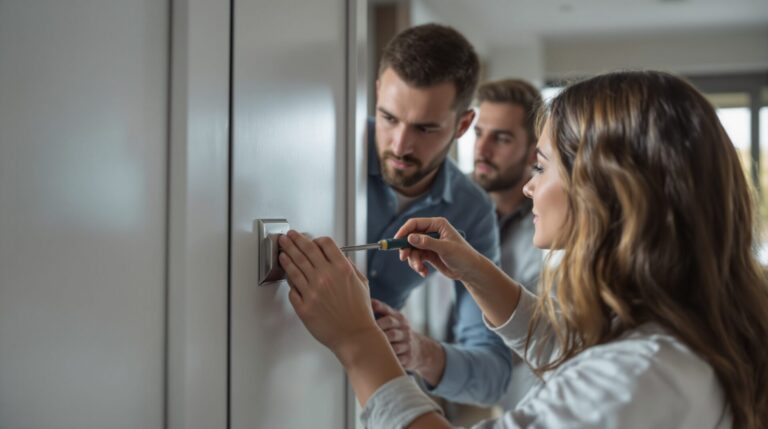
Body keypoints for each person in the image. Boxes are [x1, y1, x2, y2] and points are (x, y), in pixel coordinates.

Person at [278, 70, 768, 428]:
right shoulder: (681, 332)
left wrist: (359, 343)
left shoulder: (639, 376)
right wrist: (476, 271)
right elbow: (572, 346)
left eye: (542, 166)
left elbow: (601, 368)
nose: (532, 188)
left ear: (605, 189)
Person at [365, 23, 511, 405]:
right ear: (379, 92)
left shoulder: (473, 212)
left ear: (462, 125)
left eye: (425, 128)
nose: (399, 145)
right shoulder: (319, 143)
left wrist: (418, 352)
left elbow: (493, 376)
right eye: (389, 118)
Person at [472, 78, 544, 408]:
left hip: (524, 401)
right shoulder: (455, 213)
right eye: (478, 133)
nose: (482, 150)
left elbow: (537, 333)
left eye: (500, 138)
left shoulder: (550, 234)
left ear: (533, 151)